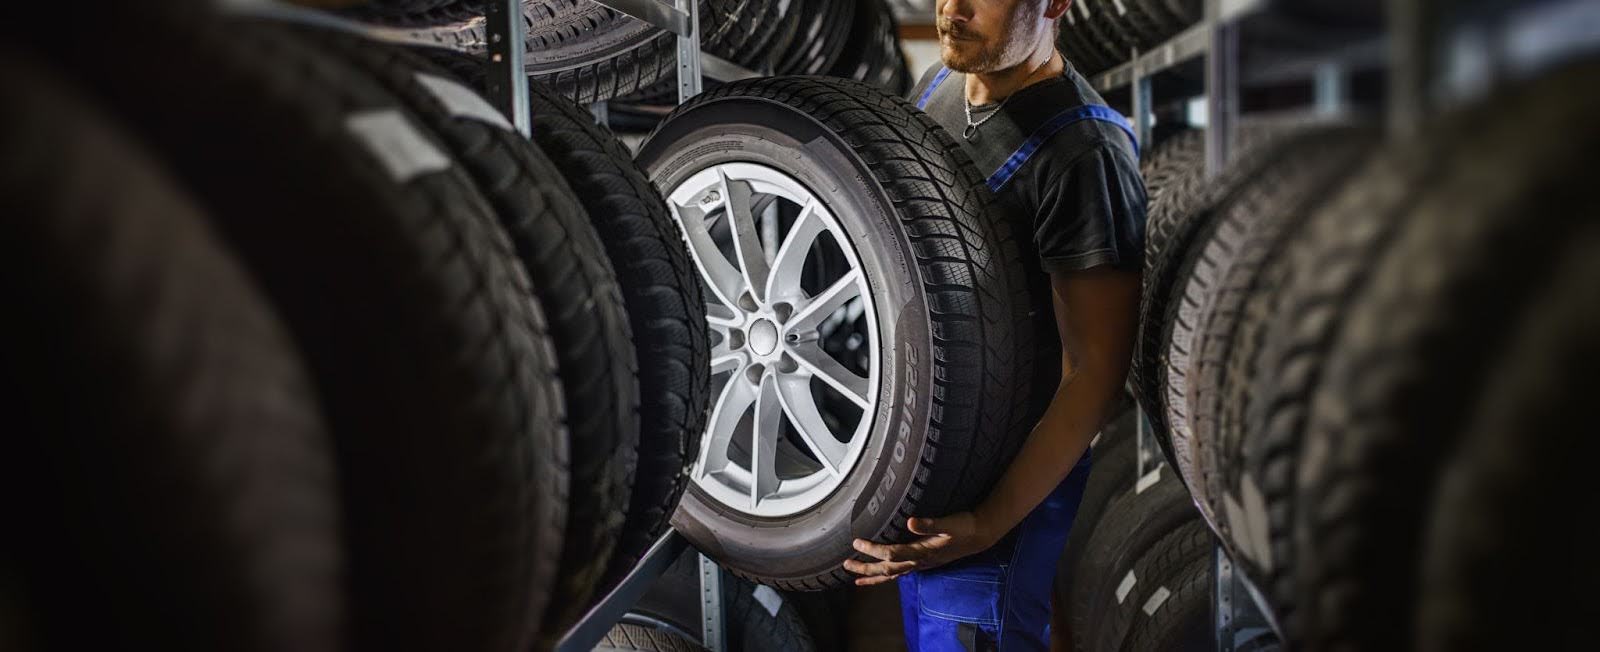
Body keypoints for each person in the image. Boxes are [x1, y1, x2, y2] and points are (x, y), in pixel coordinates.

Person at [841, 1, 1146, 650]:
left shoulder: (1085, 155)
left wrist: (988, 520)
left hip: (998, 497)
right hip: (927, 465)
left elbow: (1094, 373)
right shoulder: (941, 87)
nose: (952, 7)